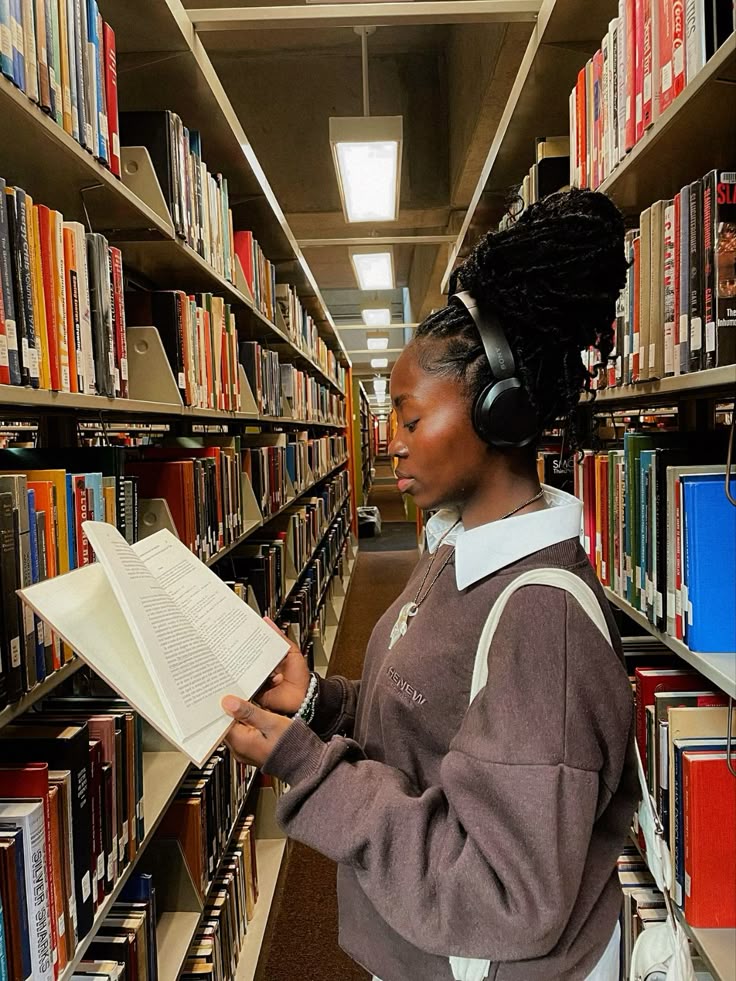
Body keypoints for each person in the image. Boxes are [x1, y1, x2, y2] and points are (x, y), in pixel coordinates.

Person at [220, 188, 639, 981]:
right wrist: (320, 702)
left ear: (498, 412)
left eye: (411, 419)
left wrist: (312, 767)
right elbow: (436, 724)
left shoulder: (541, 621)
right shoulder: (457, 550)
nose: (391, 443)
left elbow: (504, 894)